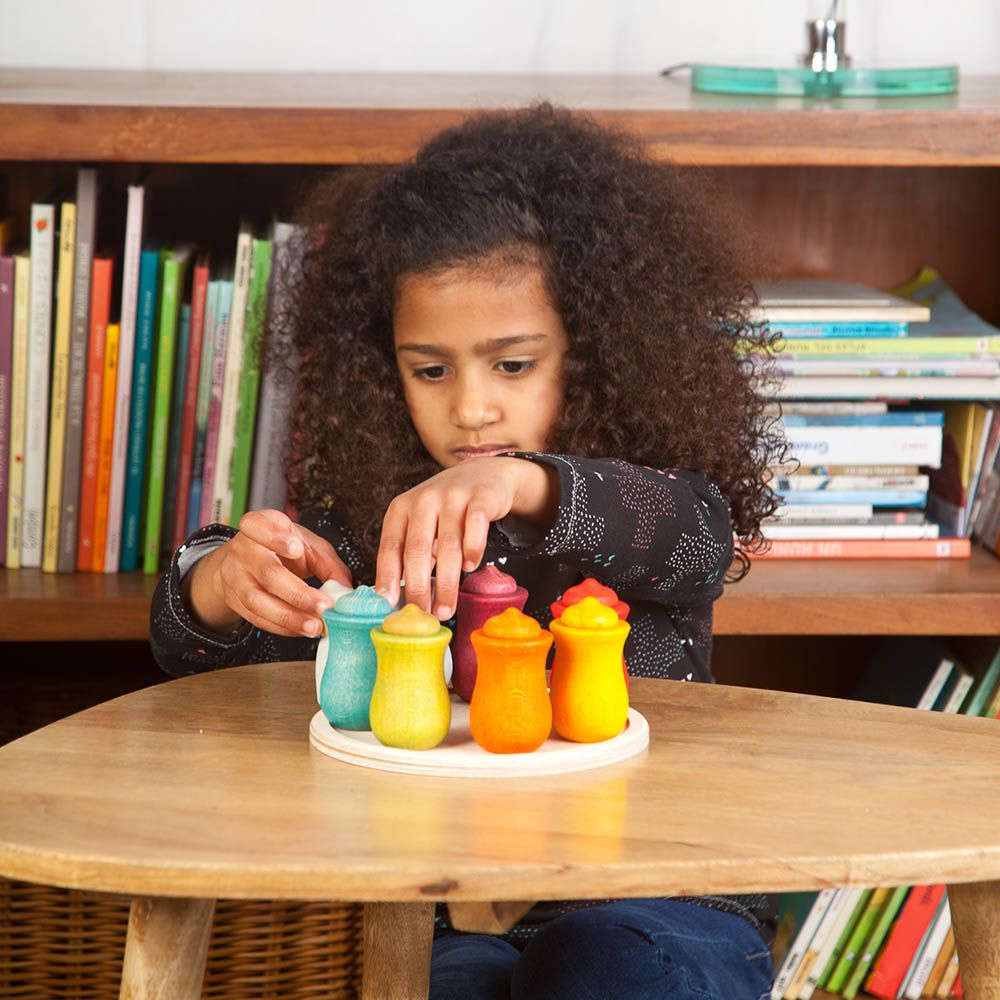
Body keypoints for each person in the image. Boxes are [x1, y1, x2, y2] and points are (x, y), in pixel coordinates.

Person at [150, 102, 784, 1000]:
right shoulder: (383, 514)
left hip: (664, 900)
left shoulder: (647, 498)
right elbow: (192, 639)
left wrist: (524, 482)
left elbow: (701, 538)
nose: (472, 410)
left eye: (513, 365)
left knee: (604, 965)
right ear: (385, 367)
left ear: (595, 351)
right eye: (431, 369)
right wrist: (223, 578)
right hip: (442, 905)